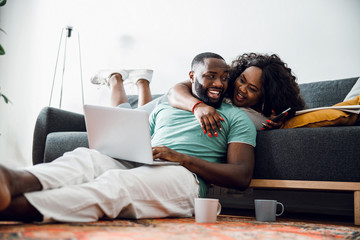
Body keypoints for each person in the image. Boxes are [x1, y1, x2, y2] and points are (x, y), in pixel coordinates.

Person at [0, 52, 256, 223]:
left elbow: (241, 176)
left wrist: (182, 158)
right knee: (86, 159)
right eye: (211, 76)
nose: (219, 83)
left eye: (224, 78)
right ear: (191, 77)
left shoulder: (237, 118)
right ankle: (12, 180)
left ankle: (13, 207)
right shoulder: (168, 104)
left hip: (184, 177)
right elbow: (143, 135)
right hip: (144, 160)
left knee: (116, 184)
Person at [167, 53, 305, 134]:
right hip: (169, 106)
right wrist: (197, 106)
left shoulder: (261, 120)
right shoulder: (222, 85)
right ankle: (144, 83)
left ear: (266, 97)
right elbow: (174, 91)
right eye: (242, 80)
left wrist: (278, 128)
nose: (242, 89)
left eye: (252, 89)